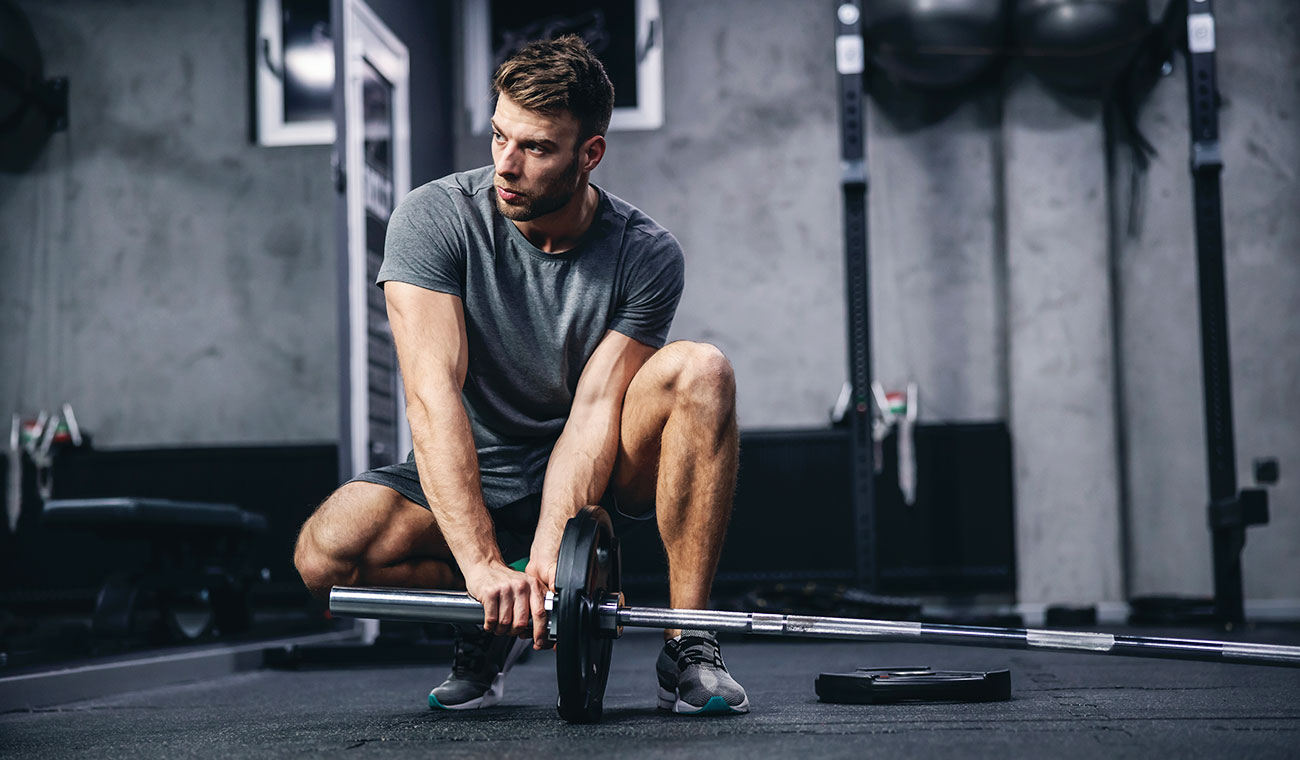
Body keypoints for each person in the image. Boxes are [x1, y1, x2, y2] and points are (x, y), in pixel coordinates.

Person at [293, 35, 748, 716]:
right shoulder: (434, 218)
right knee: (324, 561)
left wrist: (550, 551)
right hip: (470, 456)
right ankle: (491, 622)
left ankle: (689, 641)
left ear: (589, 154)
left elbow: (596, 410)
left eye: (535, 148)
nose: (506, 164)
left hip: (591, 462)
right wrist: (483, 569)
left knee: (701, 370)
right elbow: (431, 393)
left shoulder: (644, 253)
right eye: (500, 136)